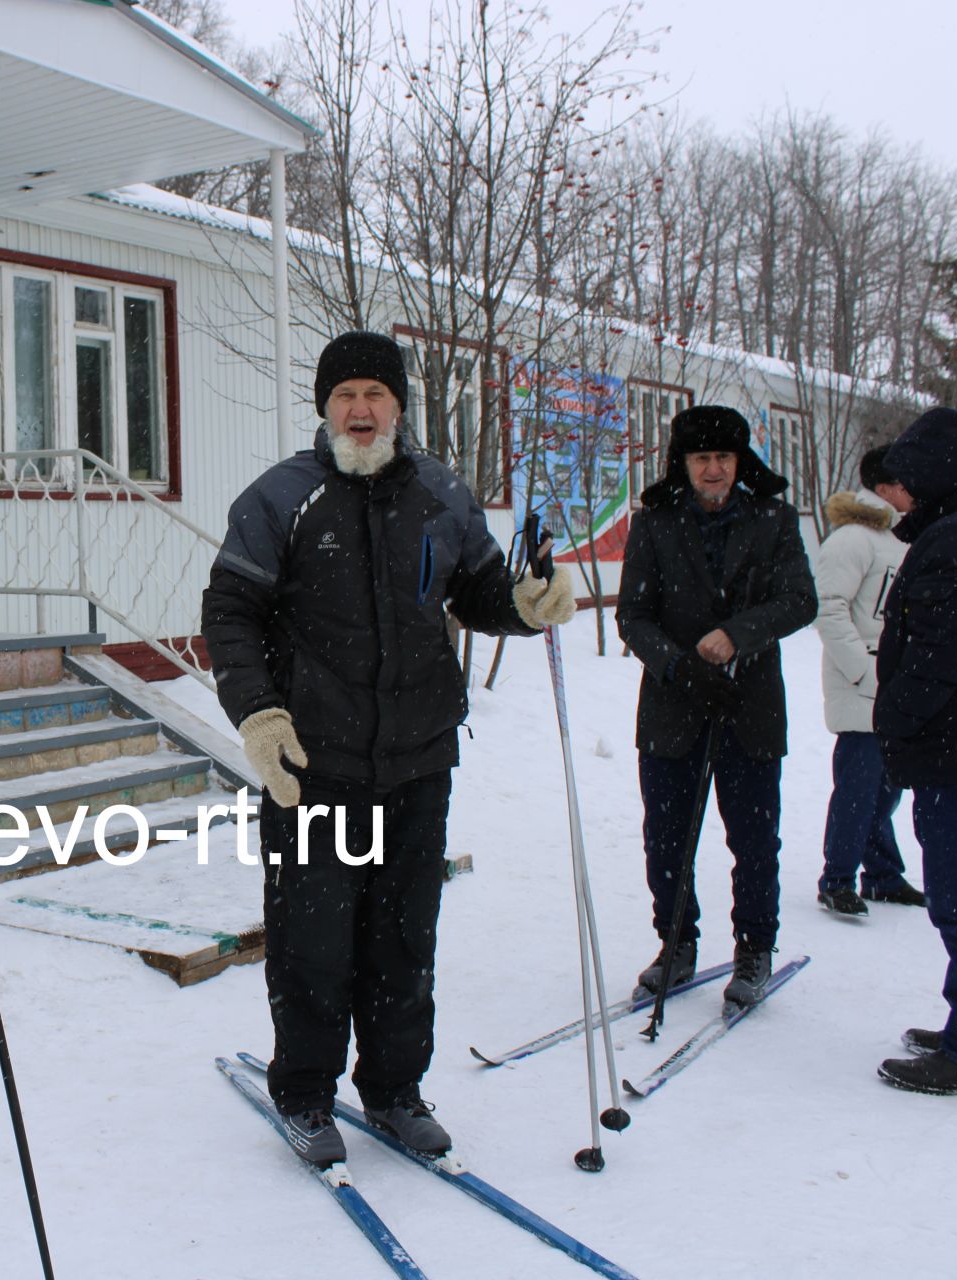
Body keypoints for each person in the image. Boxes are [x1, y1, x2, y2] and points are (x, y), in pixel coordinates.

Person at [201, 330, 574, 1163]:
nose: (360, 411)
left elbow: (479, 590)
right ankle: (305, 1094)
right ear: (324, 408)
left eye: (375, 395)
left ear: (399, 406)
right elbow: (230, 613)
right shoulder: (281, 497)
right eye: (345, 397)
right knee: (313, 939)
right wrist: (259, 714)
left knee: (407, 936)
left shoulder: (440, 493)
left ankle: (395, 1088)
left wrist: (527, 603)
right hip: (316, 767)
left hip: (418, 760)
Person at [616, 405, 817, 1010]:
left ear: (739, 462)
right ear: (683, 463)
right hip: (672, 709)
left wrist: (737, 635)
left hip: (750, 706)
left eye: (722, 458)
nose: (712, 469)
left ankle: (755, 947)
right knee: (667, 837)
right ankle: (675, 942)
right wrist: (680, 667)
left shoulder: (774, 520)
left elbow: (800, 599)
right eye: (701, 458)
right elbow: (633, 615)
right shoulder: (654, 524)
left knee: (754, 838)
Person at [871, 407, 957, 1097]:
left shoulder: (955, 541)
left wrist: (893, 721)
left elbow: (938, 658)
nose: (906, 491)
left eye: (912, 477)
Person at [814, 445, 924, 916]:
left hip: (893, 682)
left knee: (887, 787)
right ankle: (836, 878)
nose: (914, 492)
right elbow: (828, 607)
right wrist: (863, 669)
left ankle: (881, 874)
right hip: (863, 683)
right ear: (884, 488)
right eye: (907, 483)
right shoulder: (852, 539)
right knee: (859, 786)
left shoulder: (899, 539)